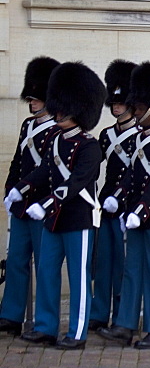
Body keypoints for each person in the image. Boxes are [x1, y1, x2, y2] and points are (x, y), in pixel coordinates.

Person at [12, 62, 105, 349]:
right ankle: (45, 326)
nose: (60, 113)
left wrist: (48, 202)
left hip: (77, 217)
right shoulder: (55, 139)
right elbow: (44, 171)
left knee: (77, 278)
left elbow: (76, 182)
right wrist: (21, 188)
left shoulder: (90, 146)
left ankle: (77, 332)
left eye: (66, 109)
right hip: (54, 219)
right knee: (47, 272)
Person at [97, 62, 150, 350]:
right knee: (132, 270)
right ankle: (125, 324)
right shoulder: (137, 139)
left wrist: (141, 209)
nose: (134, 108)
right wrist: (119, 199)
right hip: (135, 214)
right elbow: (130, 175)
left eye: (141, 104)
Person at [0, 57, 61, 337]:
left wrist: (23, 189)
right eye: (31, 98)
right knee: (16, 260)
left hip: (43, 203)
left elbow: (48, 167)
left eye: (37, 99)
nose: (32, 103)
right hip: (23, 204)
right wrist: (9, 189)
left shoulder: (57, 129)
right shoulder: (28, 125)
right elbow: (18, 159)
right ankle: (11, 314)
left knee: (45, 264)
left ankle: (44, 322)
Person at [90, 60, 139, 331]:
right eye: (114, 103)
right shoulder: (107, 135)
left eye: (120, 103)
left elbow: (136, 173)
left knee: (122, 265)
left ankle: (121, 314)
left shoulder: (138, 135)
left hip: (127, 203)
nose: (116, 107)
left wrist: (121, 199)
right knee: (103, 262)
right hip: (105, 202)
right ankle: (98, 314)